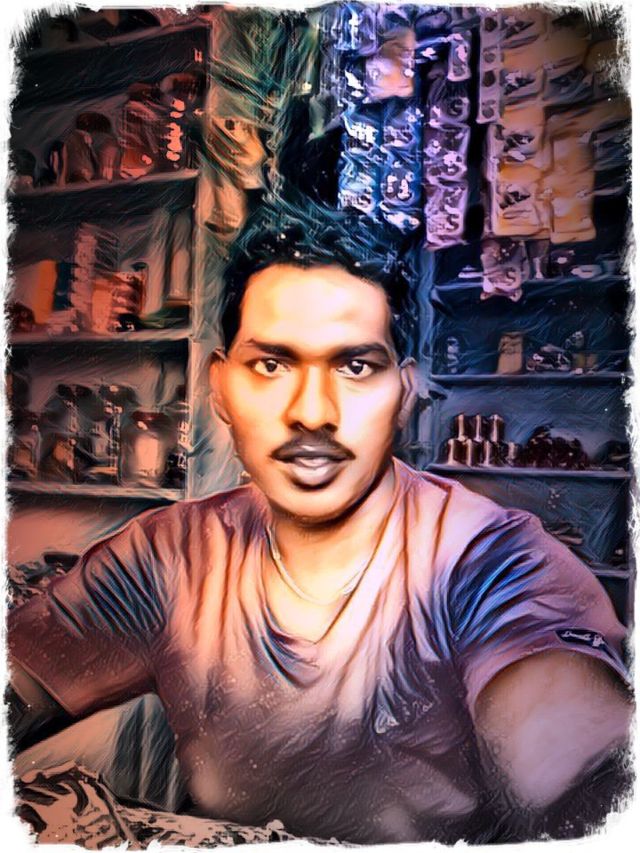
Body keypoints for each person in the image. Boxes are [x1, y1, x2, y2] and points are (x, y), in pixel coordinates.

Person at [7, 196, 634, 845]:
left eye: (355, 366)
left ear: (405, 394)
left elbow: (578, 765)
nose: (312, 412)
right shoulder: (169, 556)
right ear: (220, 388)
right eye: (271, 364)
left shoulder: (487, 559)